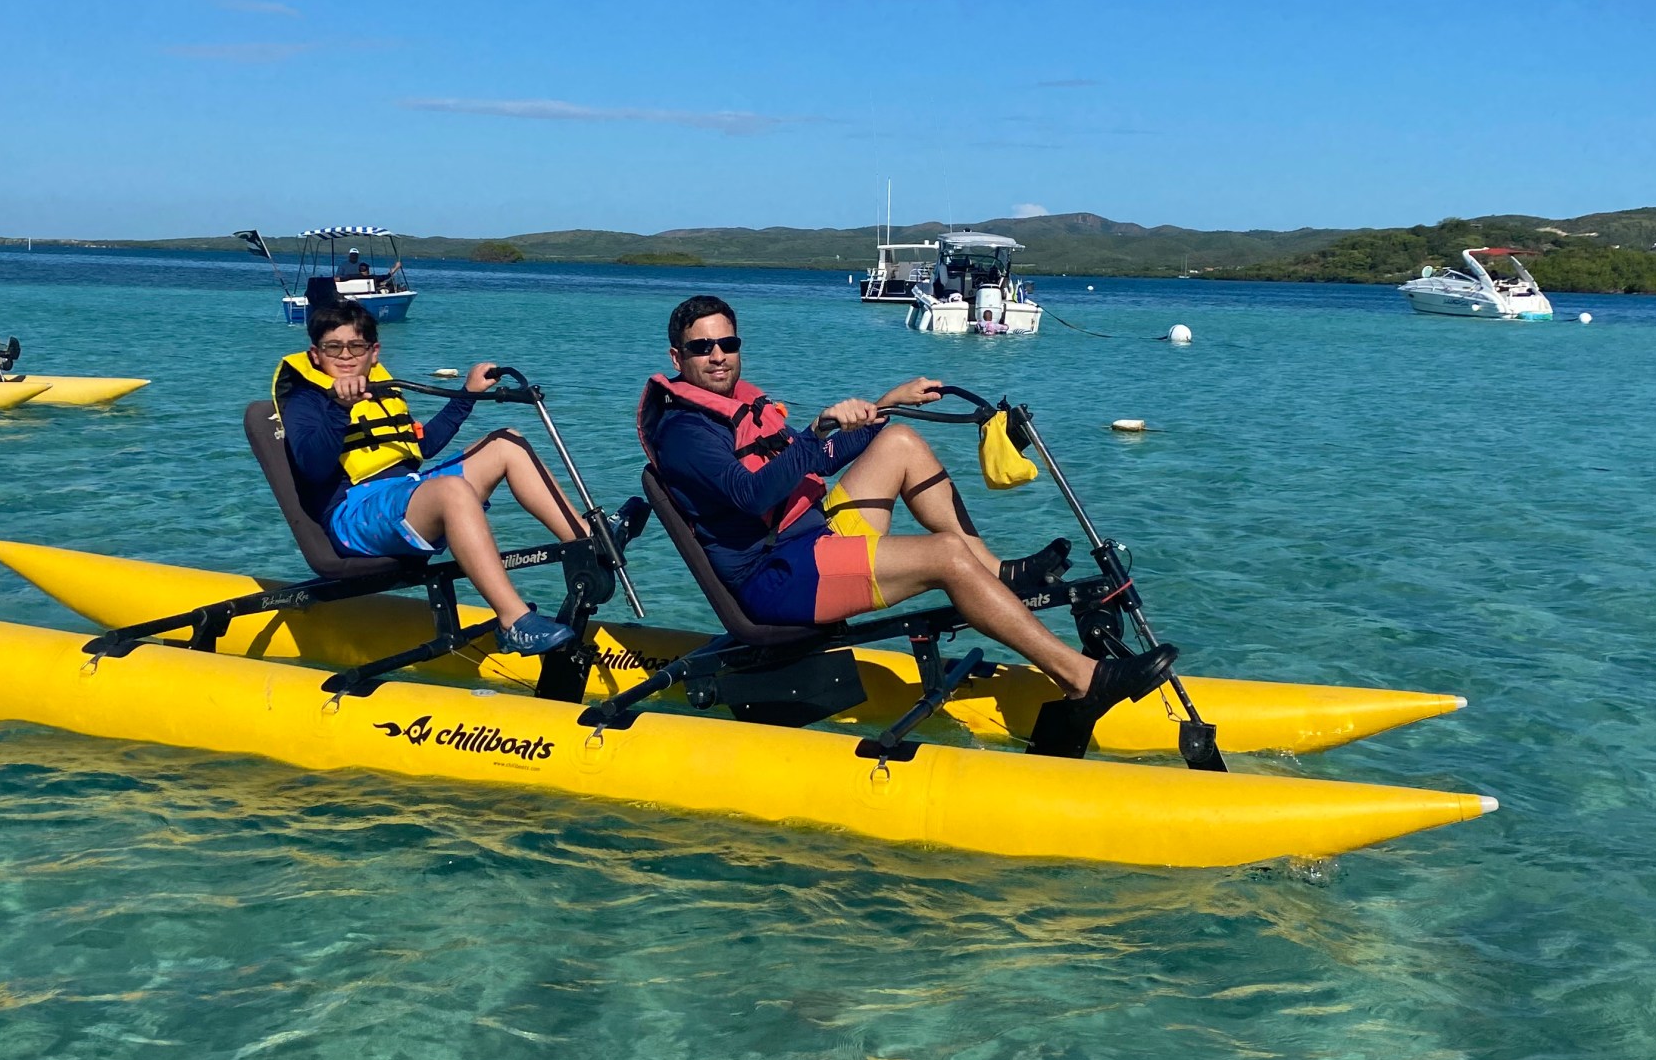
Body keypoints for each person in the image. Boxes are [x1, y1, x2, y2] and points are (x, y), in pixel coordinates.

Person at [641, 294, 1177, 753]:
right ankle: (1084, 681)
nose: (717, 357)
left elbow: (816, 459)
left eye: (727, 344)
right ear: (677, 356)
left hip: (810, 541)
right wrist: (815, 434)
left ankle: (994, 572)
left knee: (896, 440)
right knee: (945, 555)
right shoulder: (686, 432)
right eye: (702, 348)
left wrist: (885, 405)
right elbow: (752, 492)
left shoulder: (736, 405)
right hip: (776, 577)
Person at [275, 299, 585, 655]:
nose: (345, 356)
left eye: (356, 346)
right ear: (316, 354)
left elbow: (423, 447)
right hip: (354, 514)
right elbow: (313, 467)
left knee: (506, 442)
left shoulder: (381, 388)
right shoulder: (306, 400)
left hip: (405, 494)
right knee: (452, 489)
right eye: (333, 347)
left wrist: (467, 395)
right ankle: (512, 621)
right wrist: (338, 410)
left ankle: (585, 544)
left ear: (373, 352)